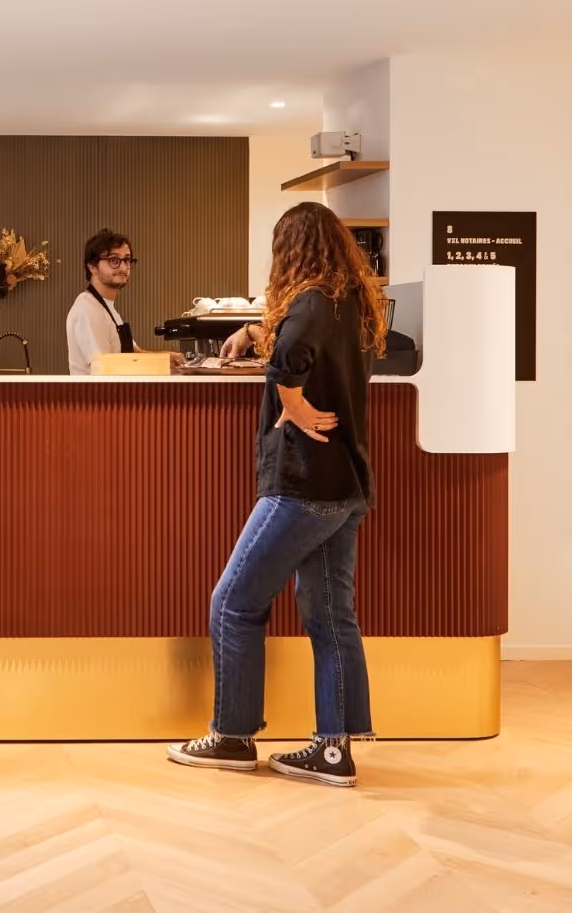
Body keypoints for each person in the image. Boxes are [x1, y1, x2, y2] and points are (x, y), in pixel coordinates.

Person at [167, 201, 387, 787]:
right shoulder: (351, 303)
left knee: (233, 603)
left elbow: (289, 361)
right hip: (345, 485)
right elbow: (295, 342)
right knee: (332, 618)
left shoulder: (309, 302)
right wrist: (251, 330)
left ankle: (232, 736)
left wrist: (290, 400)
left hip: (302, 482)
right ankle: (333, 751)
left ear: (292, 250)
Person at [66, 228, 140, 375]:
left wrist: (172, 361)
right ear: (92, 267)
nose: (123, 267)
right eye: (114, 260)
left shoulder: (107, 308)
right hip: (99, 391)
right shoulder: (87, 309)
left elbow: (135, 354)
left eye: (127, 260)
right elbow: (103, 370)